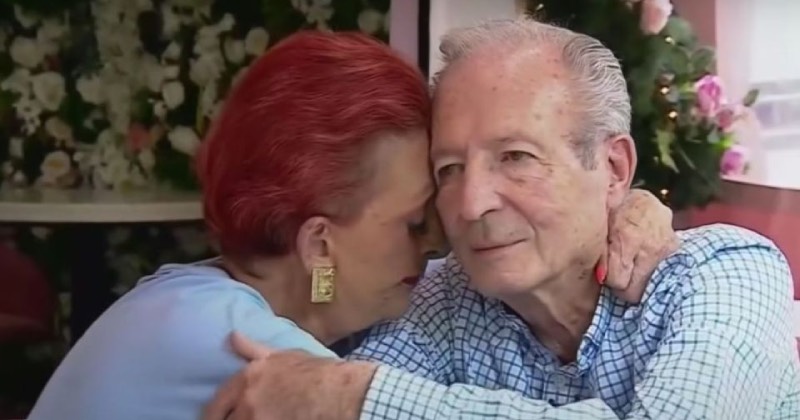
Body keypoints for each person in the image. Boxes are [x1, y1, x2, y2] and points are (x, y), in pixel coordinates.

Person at [26, 30, 675, 420]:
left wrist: (617, 207)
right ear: (319, 245)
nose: (438, 243)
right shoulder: (254, 356)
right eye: (414, 222)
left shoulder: (188, 299)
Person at [202, 18, 800, 420]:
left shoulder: (727, 274)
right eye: (449, 168)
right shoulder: (442, 300)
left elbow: (344, 399)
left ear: (614, 168)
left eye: (515, 157)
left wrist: (357, 398)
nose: (470, 204)